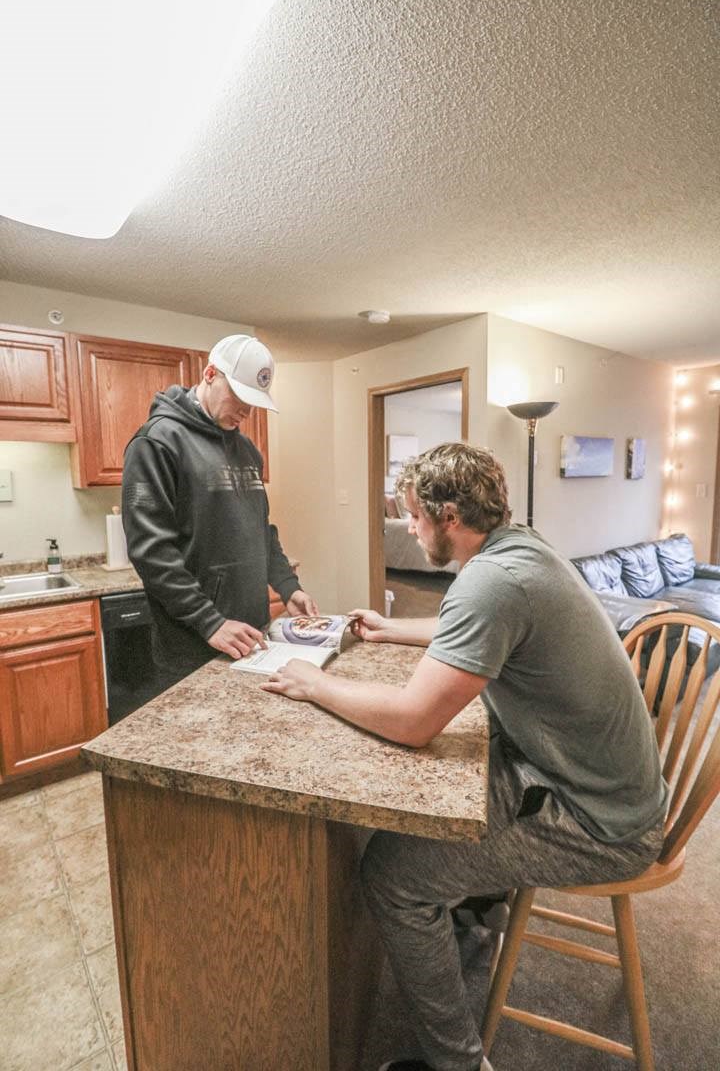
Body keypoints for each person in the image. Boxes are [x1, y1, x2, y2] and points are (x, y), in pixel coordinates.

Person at [262, 442, 667, 1071]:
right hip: (599, 780)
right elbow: (479, 626)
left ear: (448, 516)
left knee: (392, 878)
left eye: (416, 518)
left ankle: (458, 1063)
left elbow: (414, 720)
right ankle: (480, 902)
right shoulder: (519, 548)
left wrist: (315, 684)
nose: (412, 530)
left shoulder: (493, 582)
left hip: (601, 823)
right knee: (456, 788)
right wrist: (393, 628)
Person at [122, 333, 317, 683]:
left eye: (254, 401)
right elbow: (151, 551)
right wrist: (209, 621)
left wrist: (288, 587)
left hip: (251, 635)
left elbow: (261, 529)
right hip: (194, 643)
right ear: (211, 374)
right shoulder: (157, 442)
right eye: (240, 396)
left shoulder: (247, 450)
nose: (246, 409)